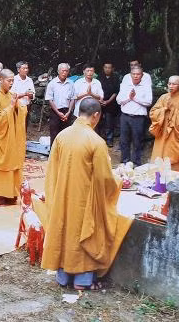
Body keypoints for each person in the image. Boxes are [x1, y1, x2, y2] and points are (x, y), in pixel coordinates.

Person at [41, 98, 132, 290]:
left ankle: (63, 276)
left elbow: (52, 171)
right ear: (96, 115)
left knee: (64, 231)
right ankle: (82, 280)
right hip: (84, 200)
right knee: (82, 232)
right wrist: (118, 181)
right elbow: (104, 178)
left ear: (77, 112)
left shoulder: (62, 136)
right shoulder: (96, 142)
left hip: (62, 197)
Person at [0, 69, 27, 205]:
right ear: (0, 80)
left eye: (12, 81)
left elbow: (23, 110)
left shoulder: (12, 95)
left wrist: (16, 106)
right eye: (9, 81)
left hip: (12, 137)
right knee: (1, 164)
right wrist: (10, 107)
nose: (11, 83)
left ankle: (11, 193)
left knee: (12, 163)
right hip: (1, 137)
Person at [148, 76, 179, 171]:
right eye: (169, 83)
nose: (171, 86)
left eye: (174, 84)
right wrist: (164, 109)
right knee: (158, 158)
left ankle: (174, 176)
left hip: (175, 134)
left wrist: (173, 110)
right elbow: (153, 112)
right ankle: (157, 176)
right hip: (162, 132)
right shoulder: (163, 97)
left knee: (172, 159)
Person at [116, 66, 153, 166]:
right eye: (134, 74)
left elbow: (148, 102)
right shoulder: (125, 85)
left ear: (142, 75)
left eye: (138, 74)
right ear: (130, 75)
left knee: (137, 141)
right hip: (125, 116)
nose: (136, 76)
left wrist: (135, 98)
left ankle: (136, 163)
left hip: (138, 118)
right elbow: (119, 100)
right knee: (124, 140)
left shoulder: (145, 86)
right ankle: (125, 162)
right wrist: (129, 98)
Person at [45, 63, 76, 146]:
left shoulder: (71, 83)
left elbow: (73, 99)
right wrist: (58, 113)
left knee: (66, 134)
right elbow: (50, 100)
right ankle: (53, 152)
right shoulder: (52, 83)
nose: (64, 73)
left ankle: (64, 152)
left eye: (66, 71)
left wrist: (69, 112)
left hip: (67, 112)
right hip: (55, 112)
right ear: (58, 71)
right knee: (54, 134)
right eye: (63, 71)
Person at [99, 62, 120, 147]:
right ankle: (98, 139)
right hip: (100, 101)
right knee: (98, 121)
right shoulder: (99, 77)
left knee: (109, 122)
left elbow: (116, 92)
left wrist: (107, 101)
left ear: (112, 69)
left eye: (109, 68)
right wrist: (101, 100)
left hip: (111, 103)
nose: (107, 69)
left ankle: (109, 139)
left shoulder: (115, 77)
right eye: (106, 67)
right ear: (103, 68)